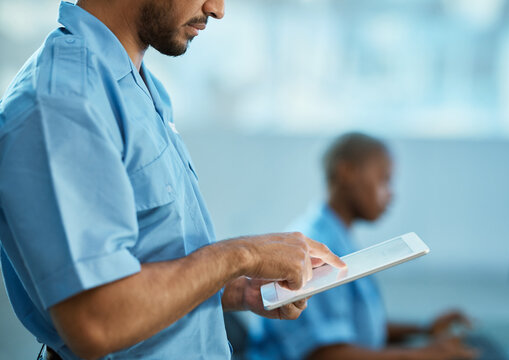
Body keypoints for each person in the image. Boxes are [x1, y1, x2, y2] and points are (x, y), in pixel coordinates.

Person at [0, 1, 346, 359]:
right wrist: (241, 255)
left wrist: (237, 289)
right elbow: (96, 319)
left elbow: (147, 261)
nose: (217, 9)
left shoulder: (138, 85)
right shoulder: (62, 102)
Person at [248, 133, 478, 360]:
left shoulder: (338, 238)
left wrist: (423, 330)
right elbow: (325, 354)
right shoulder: (316, 245)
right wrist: (421, 355)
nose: (391, 193)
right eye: (384, 179)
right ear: (347, 172)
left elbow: (354, 329)